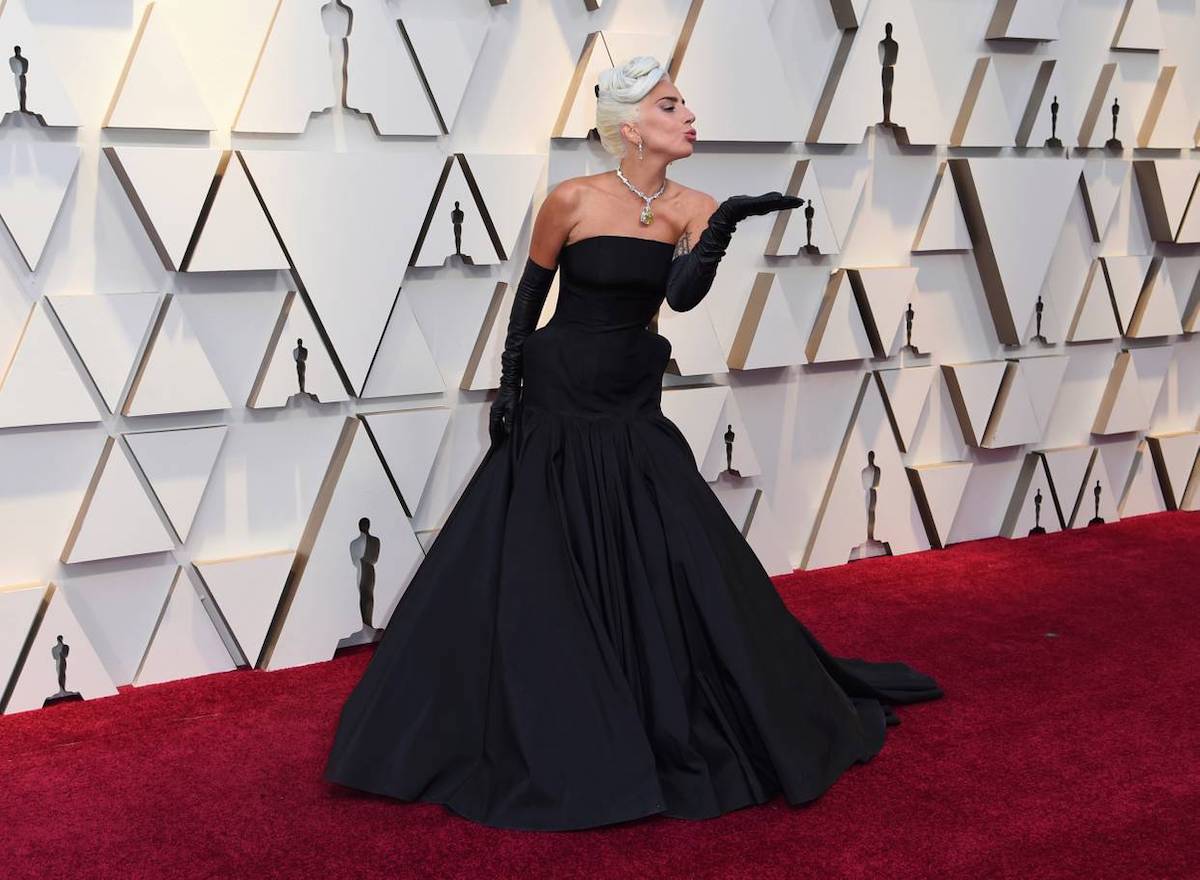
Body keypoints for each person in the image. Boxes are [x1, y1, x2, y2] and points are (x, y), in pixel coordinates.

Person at [324, 55, 942, 832]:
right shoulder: (572, 199)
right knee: (541, 554)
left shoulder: (693, 203)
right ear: (629, 125)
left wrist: (720, 227)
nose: (689, 117)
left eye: (685, 104)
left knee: (669, 545)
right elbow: (529, 299)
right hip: (557, 393)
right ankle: (548, 710)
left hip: (628, 395)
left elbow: (680, 296)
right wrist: (510, 389)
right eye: (670, 105)